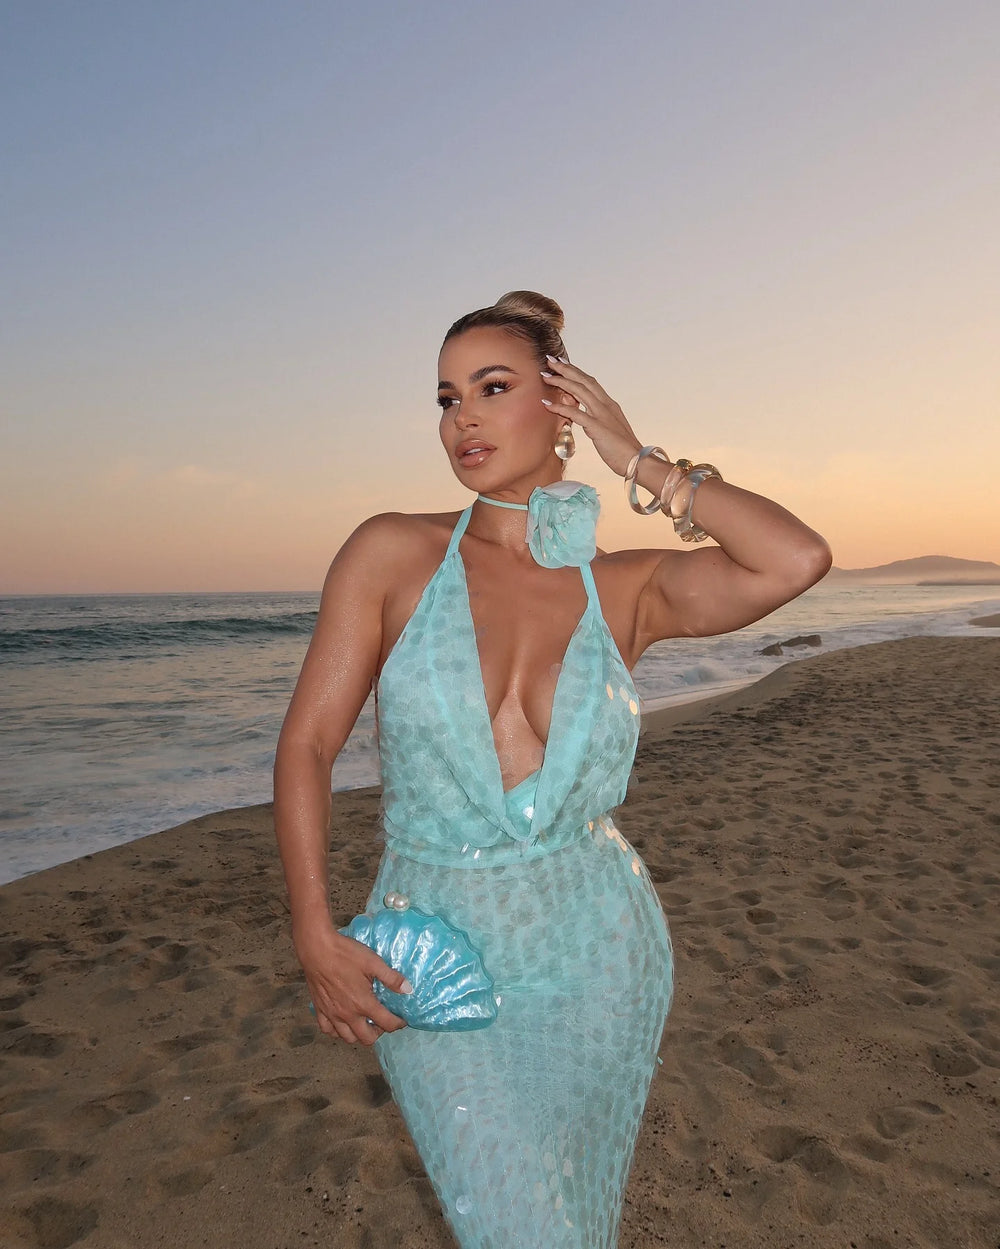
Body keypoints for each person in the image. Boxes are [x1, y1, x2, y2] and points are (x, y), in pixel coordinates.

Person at [273, 290, 832, 1248]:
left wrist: (638, 458)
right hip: (435, 952)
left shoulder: (623, 587)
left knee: (569, 1217)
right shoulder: (391, 552)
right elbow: (307, 746)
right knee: (516, 1221)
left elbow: (796, 557)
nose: (464, 419)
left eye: (493, 388)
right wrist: (314, 932)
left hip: (599, 950)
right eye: (447, 399)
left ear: (564, 404)